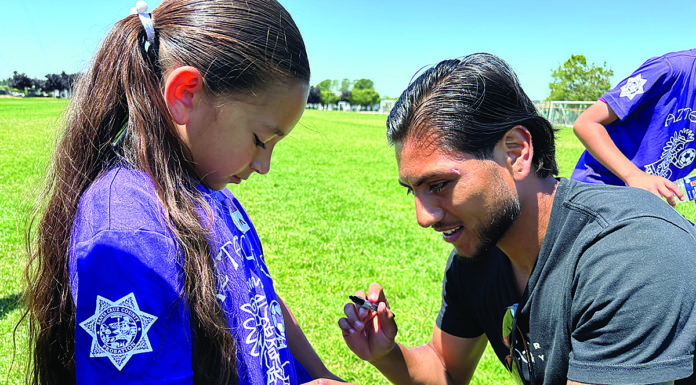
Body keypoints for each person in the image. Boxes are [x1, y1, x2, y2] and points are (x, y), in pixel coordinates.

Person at [23, 1, 348, 384]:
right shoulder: (129, 233)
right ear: (185, 95)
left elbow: (259, 296)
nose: (265, 165)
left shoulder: (208, 189)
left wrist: (323, 374)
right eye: (261, 140)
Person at [337, 53, 696, 385]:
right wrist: (386, 355)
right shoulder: (478, 255)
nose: (423, 217)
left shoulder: (631, 256)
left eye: (440, 184)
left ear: (516, 152)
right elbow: (445, 366)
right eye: (412, 190)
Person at [571, 49, 696, 207]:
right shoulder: (667, 69)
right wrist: (634, 176)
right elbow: (586, 124)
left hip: (644, 204)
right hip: (600, 192)